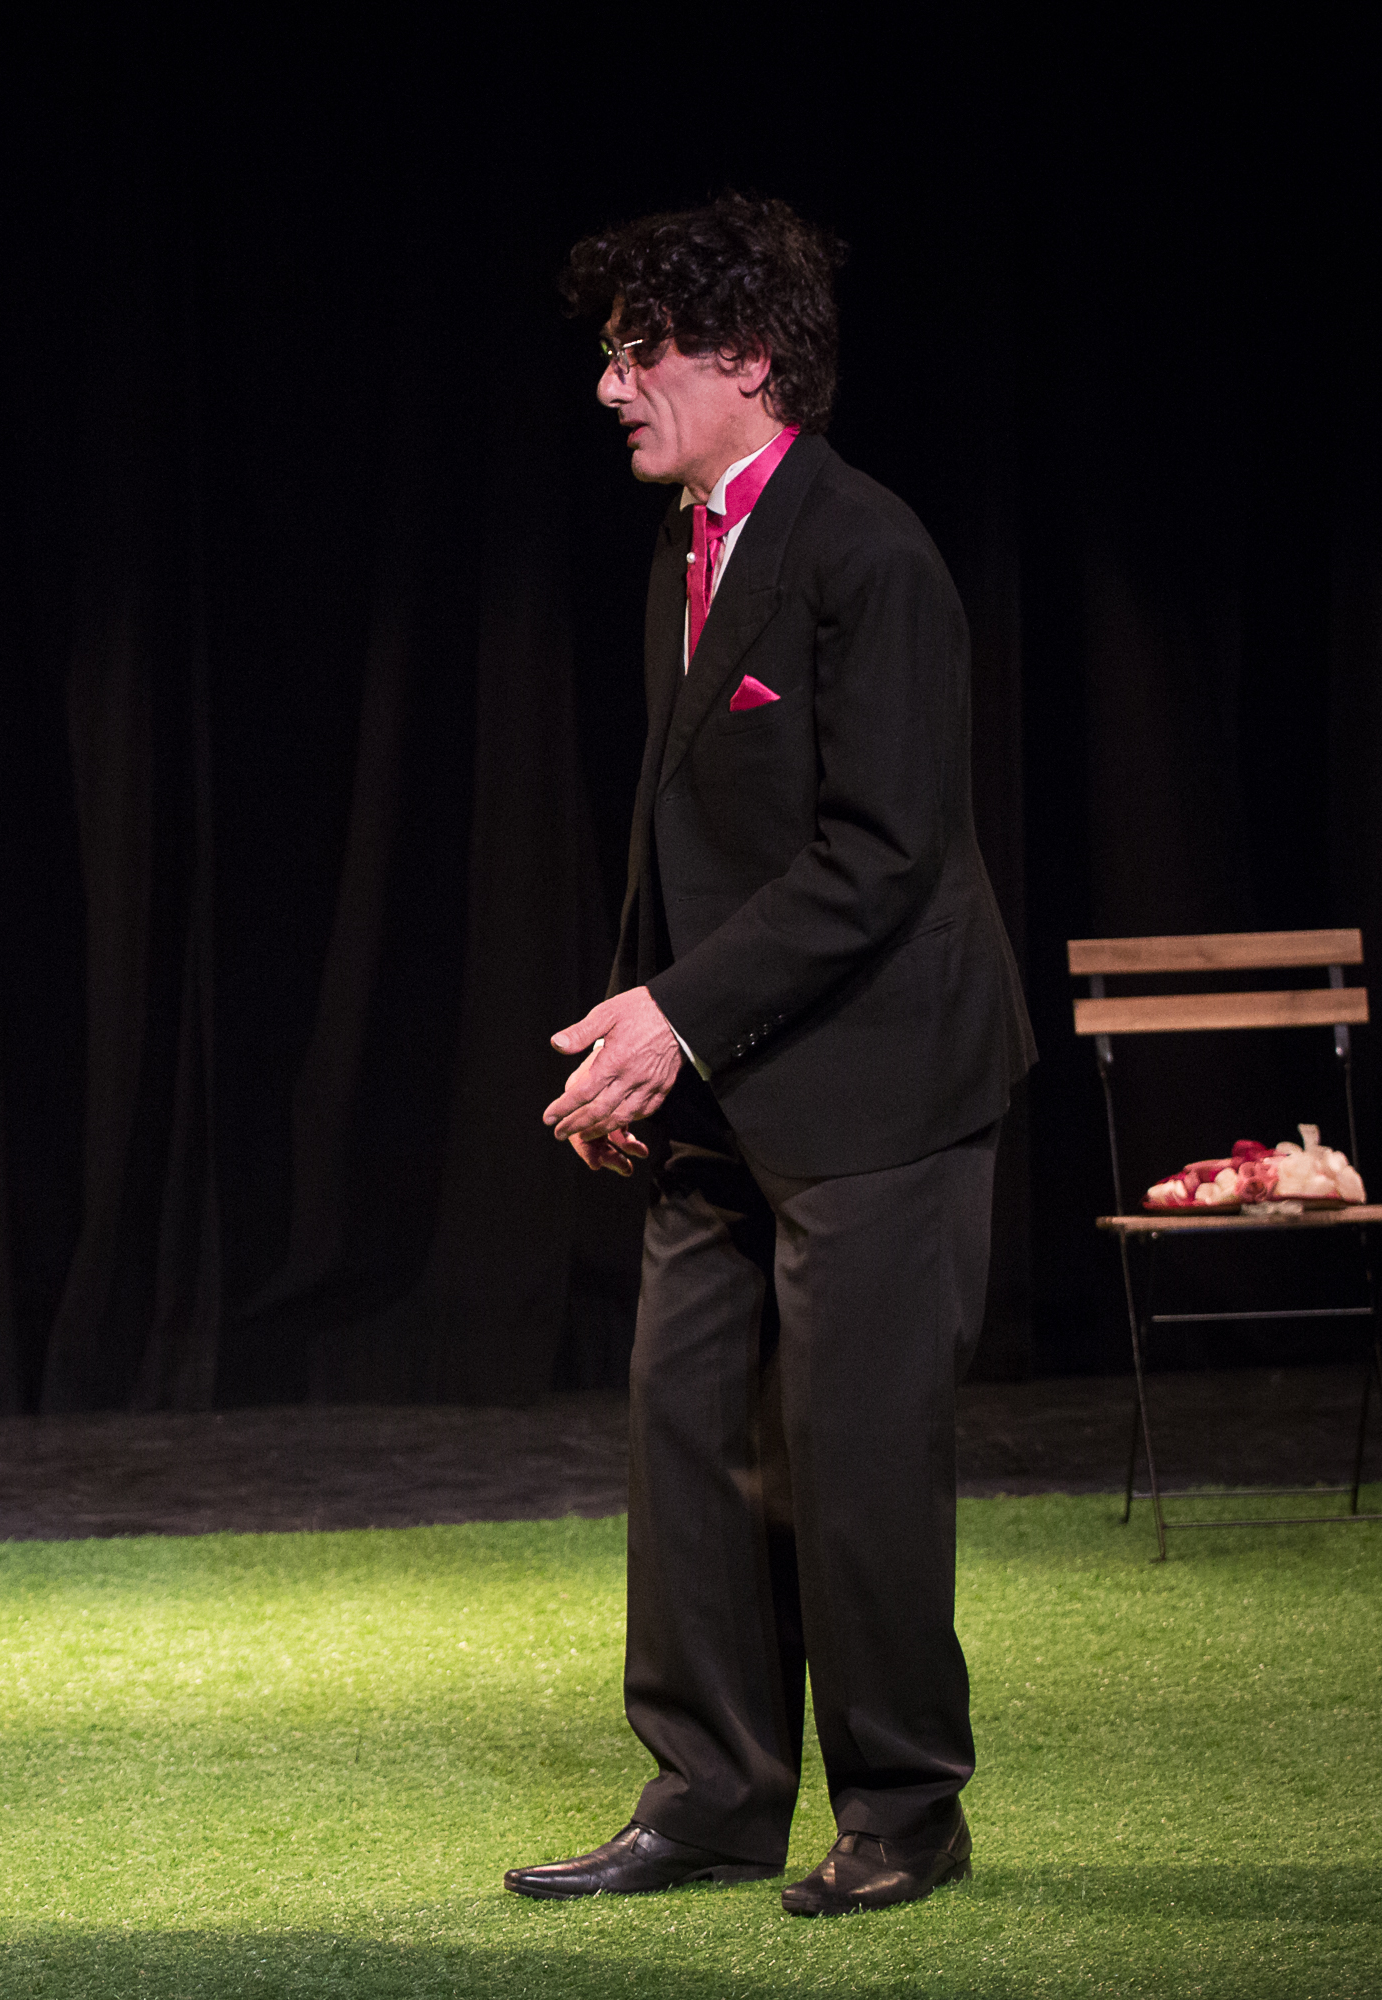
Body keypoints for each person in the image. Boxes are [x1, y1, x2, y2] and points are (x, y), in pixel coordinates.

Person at [505, 196, 1034, 1919]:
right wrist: (633, 1034)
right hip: (732, 1080)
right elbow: (691, 835)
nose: (610, 388)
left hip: (883, 1088)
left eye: (637, 352)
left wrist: (676, 1017)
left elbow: (882, 852)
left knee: (856, 1463)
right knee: (690, 1447)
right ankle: (714, 1795)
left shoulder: (866, 550)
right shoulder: (690, 545)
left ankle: (906, 1809)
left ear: (745, 359)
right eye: (608, 354)